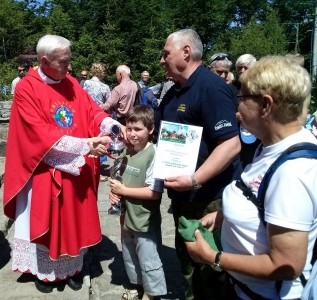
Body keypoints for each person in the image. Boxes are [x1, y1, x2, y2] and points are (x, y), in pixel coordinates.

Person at [185, 55, 317, 300]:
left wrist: (212, 257)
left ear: (266, 106)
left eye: (242, 98)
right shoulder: (270, 146)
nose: (237, 106)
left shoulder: (293, 172)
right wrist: (224, 216)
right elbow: (262, 201)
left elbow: (286, 265)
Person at [3, 34, 124, 294]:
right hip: (45, 169)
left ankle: (73, 269)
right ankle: (45, 273)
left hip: (76, 168)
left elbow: (92, 111)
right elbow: (36, 133)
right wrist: (85, 145)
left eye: (69, 61)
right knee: (48, 219)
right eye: (63, 62)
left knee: (74, 219)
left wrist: (111, 125)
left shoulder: (71, 82)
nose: (69, 68)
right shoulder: (27, 87)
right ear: (44, 60)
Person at [156, 29, 242, 300]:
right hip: (183, 197)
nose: (161, 60)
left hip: (209, 199)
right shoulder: (174, 92)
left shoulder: (211, 87)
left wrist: (195, 179)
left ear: (186, 52)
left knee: (212, 271)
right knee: (189, 264)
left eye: (165, 53)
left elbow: (231, 144)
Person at [109, 105, 166, 300]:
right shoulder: (126, 152)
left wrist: (124, 190)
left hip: (144, 219)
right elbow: (120, 180)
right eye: (129, 128)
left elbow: (154, 193)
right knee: (129, 253)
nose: (132, 134)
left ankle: (151, 293)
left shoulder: (154, 154)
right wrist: (115, 194)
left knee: (148, 257)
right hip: (126, 216)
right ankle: (137, 284)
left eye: (138, 129)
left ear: (150, 130)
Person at [83, 62, 112, 181]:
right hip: (99, 117)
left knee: (88, 140)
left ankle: (86, 166)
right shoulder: (105, 87)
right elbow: (109, 103)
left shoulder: (86, 83)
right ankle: (97, 170)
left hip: (86, 115)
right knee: (99, 142)